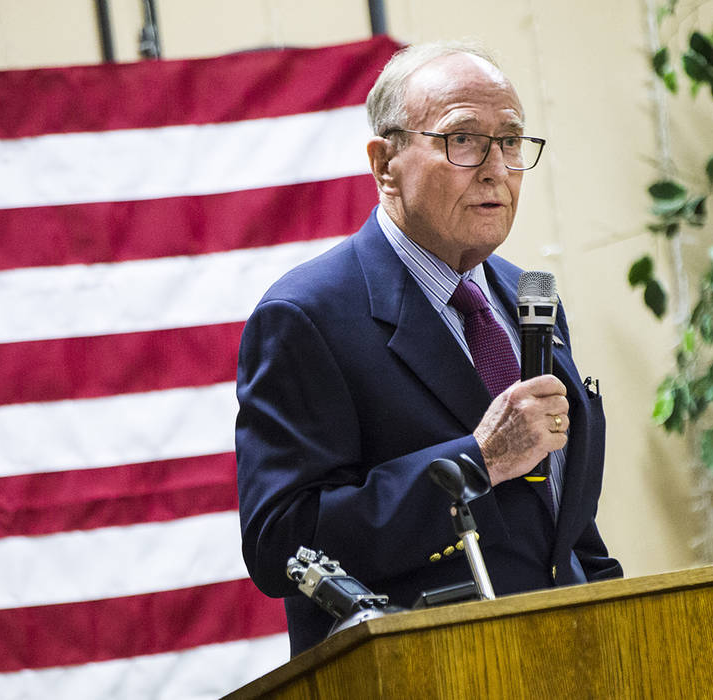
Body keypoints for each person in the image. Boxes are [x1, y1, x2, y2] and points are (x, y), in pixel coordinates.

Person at [235, 40, 622, 656]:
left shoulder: (530, 299)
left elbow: (558, 519)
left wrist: (616, 614)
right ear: (385, 162)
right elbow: (280, 544)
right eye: (463, 139)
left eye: (512, 141)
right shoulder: (305, 316)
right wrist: (479, 462)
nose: (496, 167)